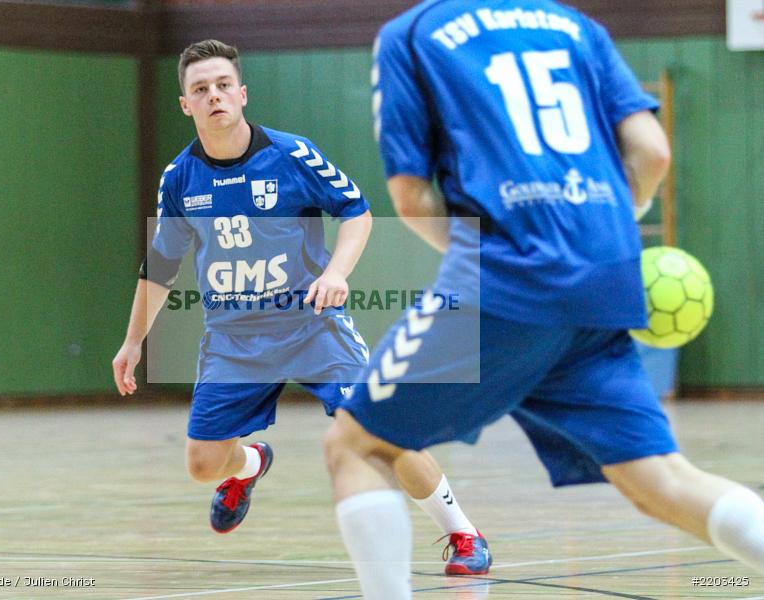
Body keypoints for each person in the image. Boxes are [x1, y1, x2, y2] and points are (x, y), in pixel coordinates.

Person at [324, 2, 764, 597]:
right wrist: (596, 235)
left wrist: (480, 262)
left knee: (357, 444)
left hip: (506, 275)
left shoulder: (411, 33)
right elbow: (653, 152)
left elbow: (409, 196)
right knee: (660, 479)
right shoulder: (576, 25)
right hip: (607, 273)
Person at [112, 39, 492, 575]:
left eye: (223, 85)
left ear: (242, 94)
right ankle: (248, 465)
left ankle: (465, 535)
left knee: (382, 434)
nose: (214, 95)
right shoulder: (179, 180)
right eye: (200, 89)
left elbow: (356, 212)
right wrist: (133, 343)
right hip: (234, 340)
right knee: (202, 465)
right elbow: (161, 268)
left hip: (313, 328)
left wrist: (336, 273)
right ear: (186, 104)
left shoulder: (291, 155)